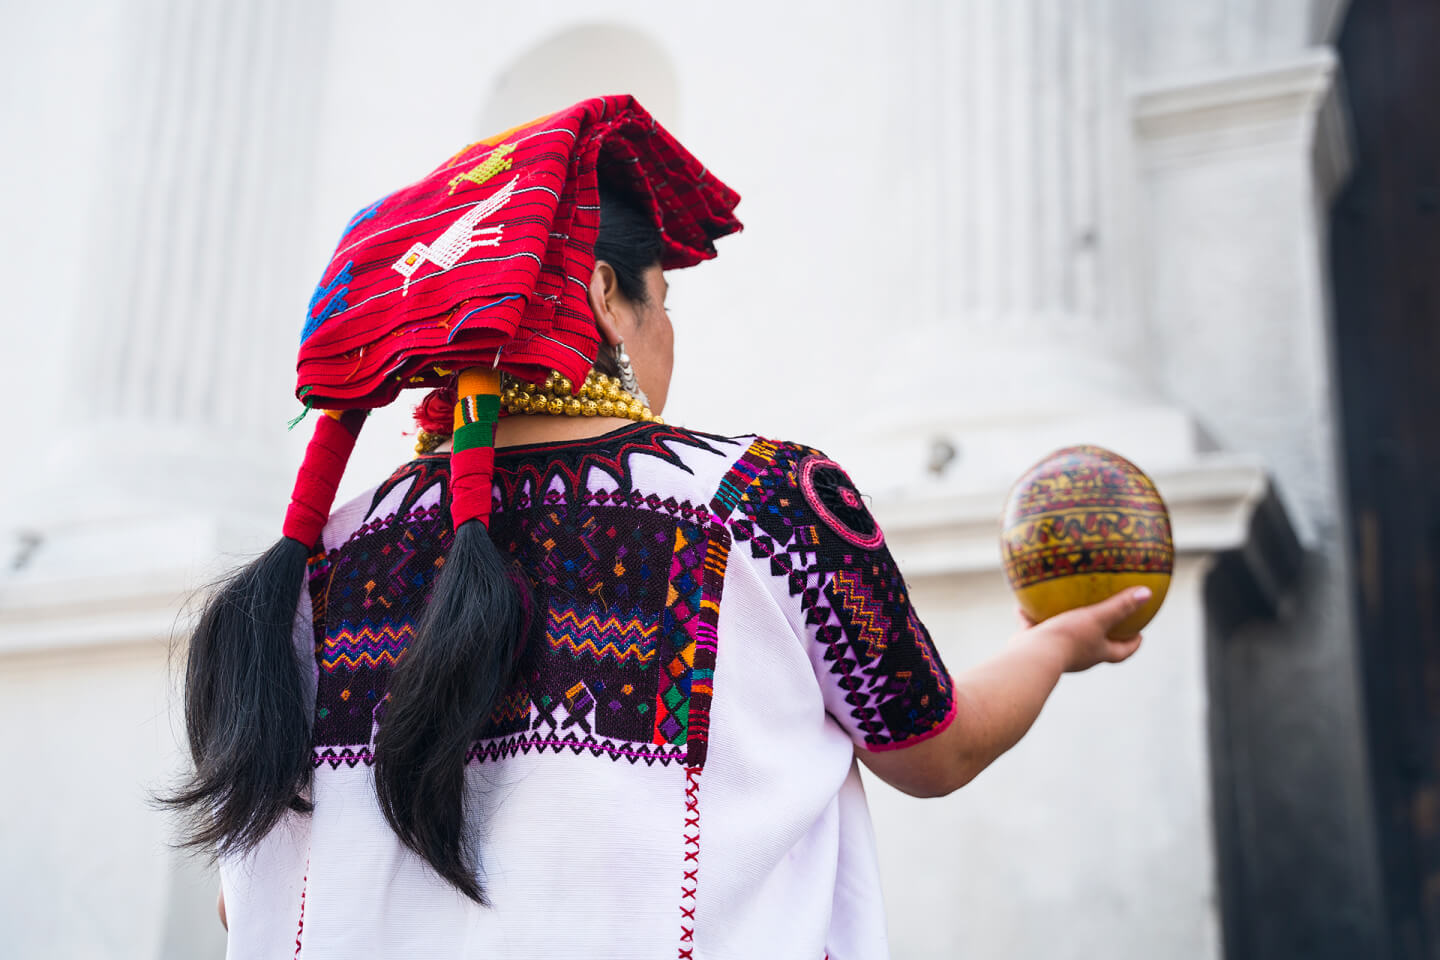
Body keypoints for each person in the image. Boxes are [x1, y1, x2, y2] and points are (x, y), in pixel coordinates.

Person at [169, 96, 1146, 959]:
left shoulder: (316, 568)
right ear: (604, 295)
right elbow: (936, 749)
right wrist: (1058, 642)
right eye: (662, 299)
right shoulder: (765, 502)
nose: (668, 329)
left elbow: (250, 899)